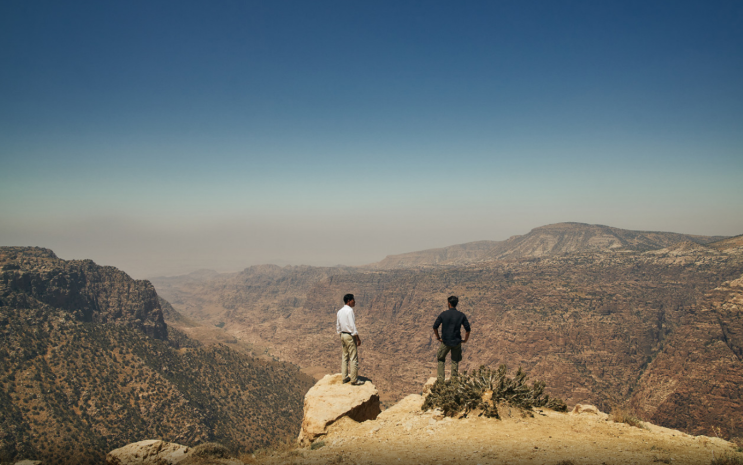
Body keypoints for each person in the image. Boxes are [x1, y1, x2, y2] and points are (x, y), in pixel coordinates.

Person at [433, 295, 471, 383]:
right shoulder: (461, 315)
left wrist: (438, 338)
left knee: (441, 359)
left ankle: (440, 381)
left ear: (449, 303)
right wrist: (465, 340)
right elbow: (468, 329)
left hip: (445, 342)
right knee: (455, 361)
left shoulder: (443, 314)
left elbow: (435, 327)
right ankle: (454, 381)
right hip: (457, 342)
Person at [336, 293, 364, 385]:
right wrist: (358, 338)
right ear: (349, 301)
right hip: (349, 336)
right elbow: (352, 326)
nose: (354, 301)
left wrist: (340, 334)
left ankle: (344, 377)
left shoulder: (340, 311)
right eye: (353, 300)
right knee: (353, 358)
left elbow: (338, 325)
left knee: (345, 357)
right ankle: (354, 380)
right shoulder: (350, 311)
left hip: (342, 335)